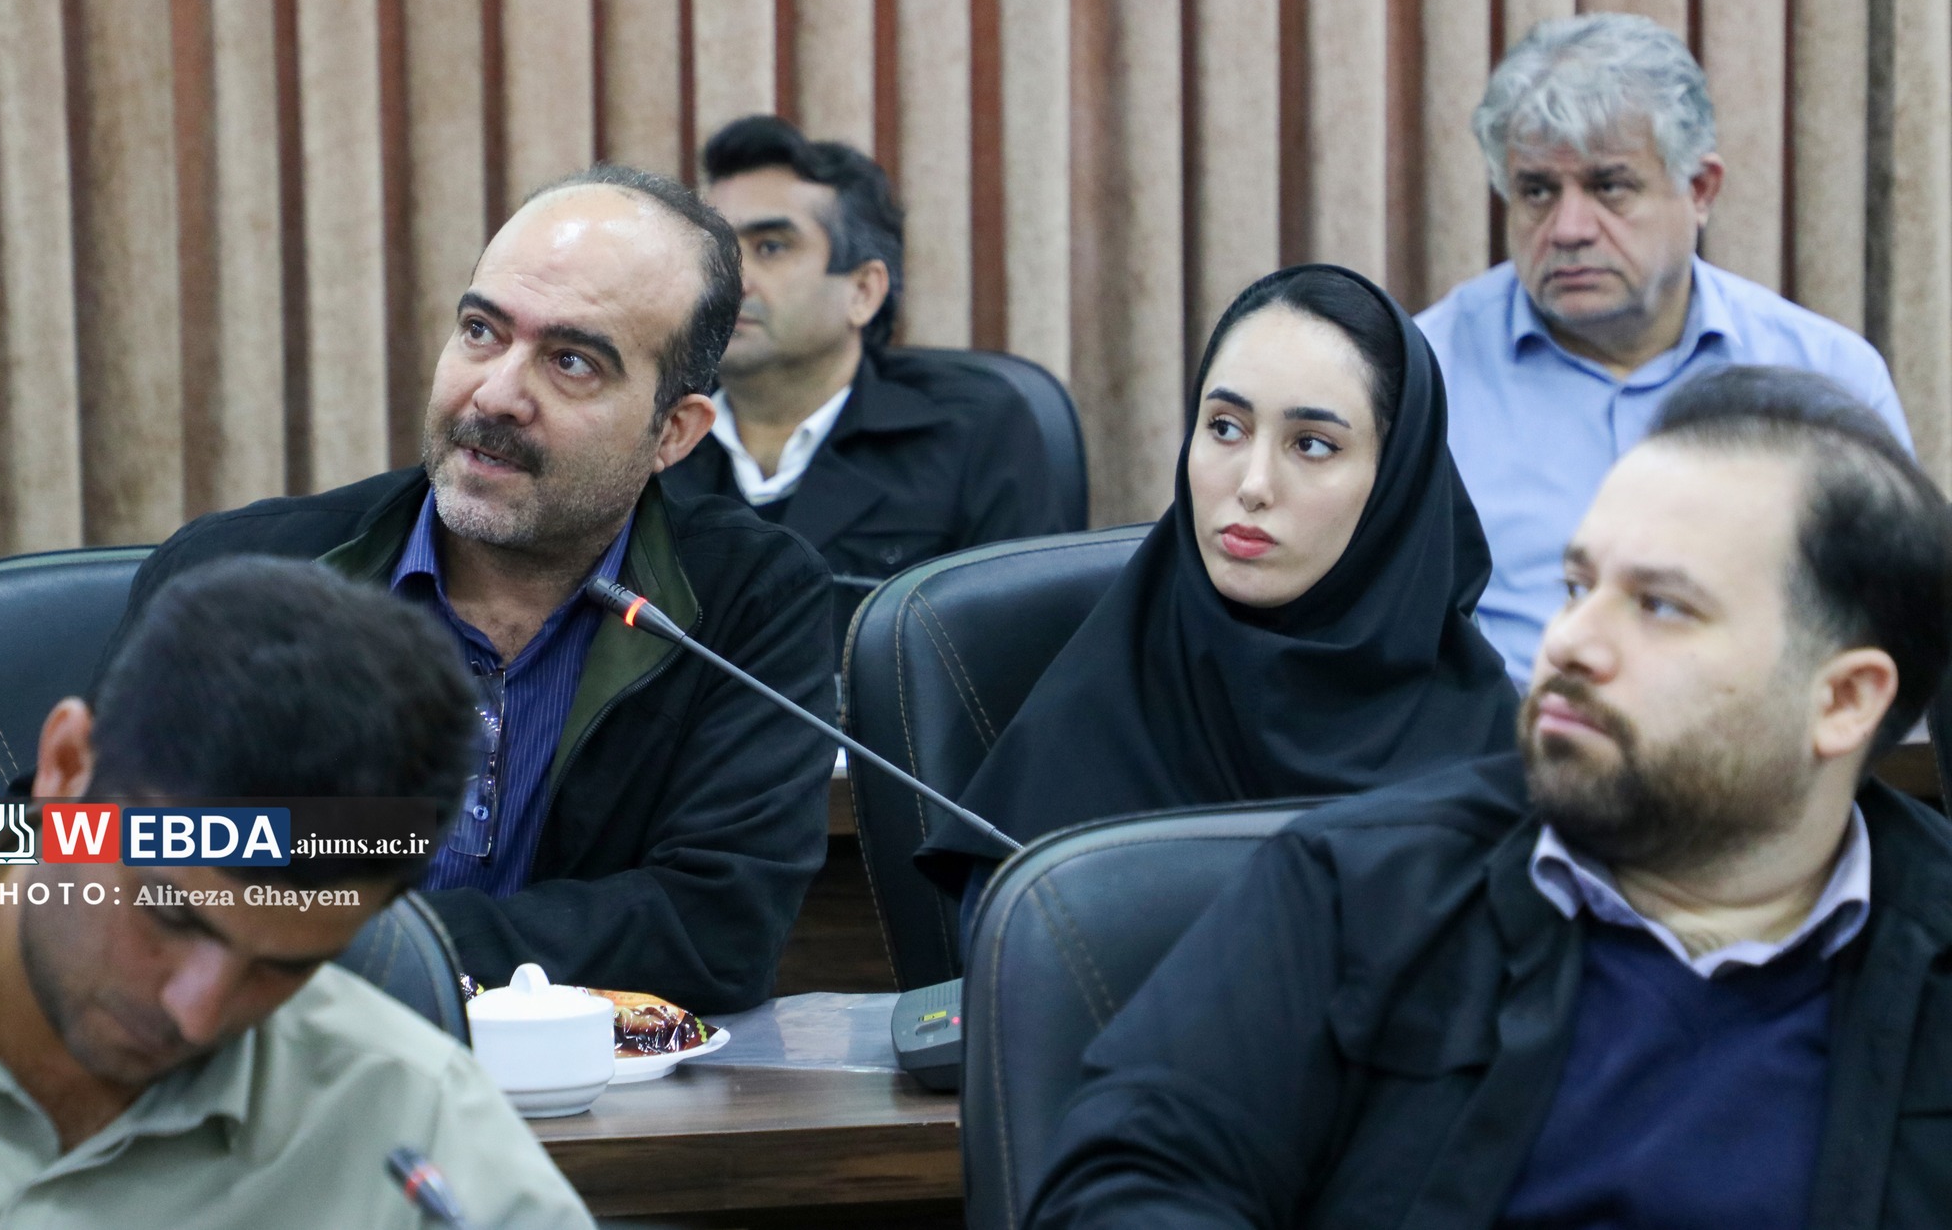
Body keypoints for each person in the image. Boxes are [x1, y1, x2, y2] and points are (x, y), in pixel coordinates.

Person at [1025, 366, 1952, 1228]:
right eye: (1578, 586)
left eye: (1661, 606)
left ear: (1843, 699)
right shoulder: (1358, 891)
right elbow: (1128, 1185)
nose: (1570, 642)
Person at [105, 165, 834, 1014]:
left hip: (589, 1088)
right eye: (482, 331)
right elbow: (67, 853)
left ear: (673, 431)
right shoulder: (237, 573)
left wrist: (330, 939)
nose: (495, 393)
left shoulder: (747, 598)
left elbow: (717, 928)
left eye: (571, 361)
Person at [0, 558, 595, 1228]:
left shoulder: (413, 1120)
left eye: (284, 967)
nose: (197, 1014)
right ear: (66, 770)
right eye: (170, 914)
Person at [917, 265, 1520, 922]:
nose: (1253, 484)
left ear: (1397, 482)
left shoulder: (1483, 734)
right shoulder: (1095, 713)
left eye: (1312, 444)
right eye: (1225, 427)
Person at [1418, 12, 1911, 685]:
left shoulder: (1826, 374)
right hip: (1511, 743)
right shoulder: (1424, 375)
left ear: (1700, 189)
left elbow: (1895, 622)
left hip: (1752, 743)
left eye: (1609, 187)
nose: (1568, 228)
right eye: (1537, 191)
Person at [661, 115, 1074, 648]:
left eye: (771, 247)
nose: (730, 281)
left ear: (863, 291)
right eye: (716, 252)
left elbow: (1024, 653)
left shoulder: (973, 430)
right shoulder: (652, 431)